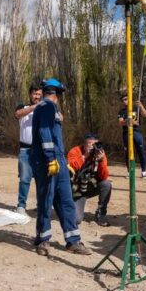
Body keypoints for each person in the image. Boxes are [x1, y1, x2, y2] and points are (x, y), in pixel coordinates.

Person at [30, 78, 92, 257]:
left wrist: (62, 162)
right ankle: (43, 240)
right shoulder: (46, 107)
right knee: (46, 201)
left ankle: (73, 240)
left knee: (66, 201)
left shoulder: (52, 108)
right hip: (47, 162)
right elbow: (44, 132)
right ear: (56, 94)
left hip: (59, 161)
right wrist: (51, 159)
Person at [67, 134, 112, 227]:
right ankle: (67, 205)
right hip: (77, 190)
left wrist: (101, 161)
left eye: (95, 145)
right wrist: (85, 156)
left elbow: (104, 176)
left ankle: (101, 213)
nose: (93, 148)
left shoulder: (100, 154)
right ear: (84, 145)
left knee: (106, 184)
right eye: (90, 145)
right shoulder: (75, 151)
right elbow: (71, 168)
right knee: (77, 220)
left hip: (91, 187)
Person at [14, 83, 42, 214]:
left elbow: (60, 117)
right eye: (34, 94)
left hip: (41, 150)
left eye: (39, 94)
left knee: (41, 180)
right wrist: (34, 107)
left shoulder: (45, 108)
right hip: (25, 150)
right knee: (25, 178)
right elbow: (18, 114)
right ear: (30, 94)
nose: (36, 96)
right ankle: (21, 205)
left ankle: (40, 205)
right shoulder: (23, 107)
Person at [117, 93, 146, 178]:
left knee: (141, 151)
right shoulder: (121, 111)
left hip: (137, 132)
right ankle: (130, 172)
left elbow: (145, 115)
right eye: (123, 100)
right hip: (126, 133)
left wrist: (141, 106)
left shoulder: (136, 108)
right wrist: (129, 122)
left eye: (126, 99)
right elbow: (120, 122)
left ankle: (144, 171)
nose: (125, 101)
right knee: (128, 152)